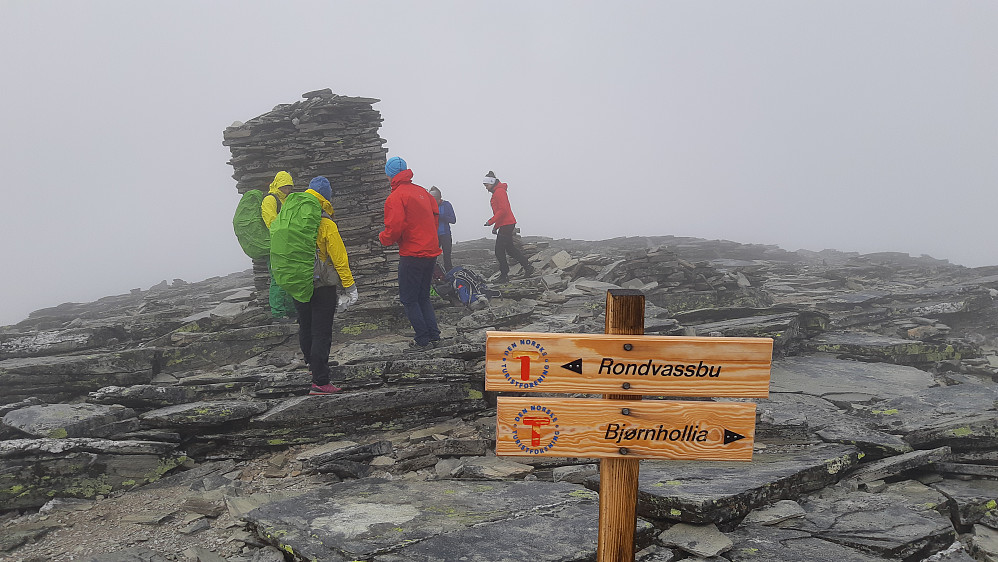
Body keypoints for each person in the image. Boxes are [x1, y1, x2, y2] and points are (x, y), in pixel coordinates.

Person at [294, 176, 359, 395]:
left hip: (297, 283)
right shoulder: (325, 223)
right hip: (321, 286)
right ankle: (320, 382)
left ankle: (313, 367)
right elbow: (339, 258)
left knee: (305, 326)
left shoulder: (290, 218)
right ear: (326, 198)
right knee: (321, 332)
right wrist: (350, 287)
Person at [379, 157, 442, 351]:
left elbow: (395, 227)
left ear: (390, 175)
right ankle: (434, 336)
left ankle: (422, 340)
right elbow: (435, 217)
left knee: (409, 299)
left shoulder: (396, 197)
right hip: (430, 251)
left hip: (412, 253)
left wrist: (384, 238)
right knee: (423, 296)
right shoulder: (423, 192)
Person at [483, 170, 533, 283]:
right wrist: (496, 226)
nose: (486, 188)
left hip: (507, 224)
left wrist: (491, 221)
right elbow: (501, 213)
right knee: (510, 249)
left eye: (486, 185)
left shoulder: (499, 192)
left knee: (499, 251)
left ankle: (504, 275)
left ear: (492, 182)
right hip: (507, 223)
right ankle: (527, 266)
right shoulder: (498, 191)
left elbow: (503, 211)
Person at [263, 171, 297, 320]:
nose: (287, 190)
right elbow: (271, 222)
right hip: (274, 246)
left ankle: (291, 311)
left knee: (289, 277)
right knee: (277, 278)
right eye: (284, 187)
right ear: (278, 185)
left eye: (289, 187)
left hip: (286, 245)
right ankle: (277, 313)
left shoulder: (286, 200)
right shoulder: (270, 200)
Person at [429, 186, 457, 273]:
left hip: (445, 234)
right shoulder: (428, 206)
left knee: (447, 256)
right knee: (432, 256)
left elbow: (453, 220)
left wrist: (440, 216)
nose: (432, 202)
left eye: (434, 199)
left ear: (439, 198)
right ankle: (432, 274)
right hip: (434, 235)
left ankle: (449, 274)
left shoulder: (447, 205)